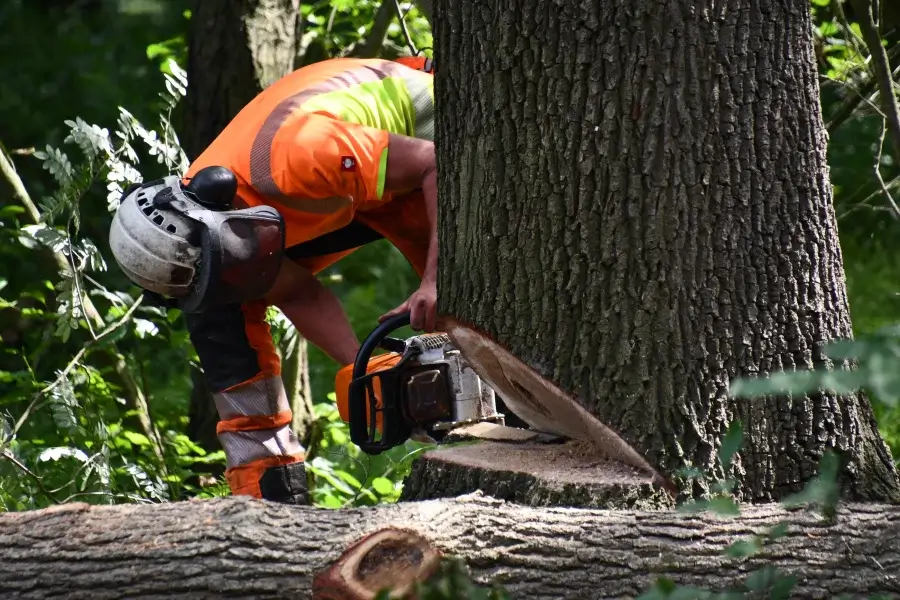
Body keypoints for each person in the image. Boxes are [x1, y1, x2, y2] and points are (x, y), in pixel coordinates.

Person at [107, 55, 438, 504]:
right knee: (220, 309)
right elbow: (296, 289)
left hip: (422, 130)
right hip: (346, 184)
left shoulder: (294, 155)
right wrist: (361, 363)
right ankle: (269, 493)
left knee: (463, 301)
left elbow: (431, 165)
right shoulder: (210, 226)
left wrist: (435, 281)